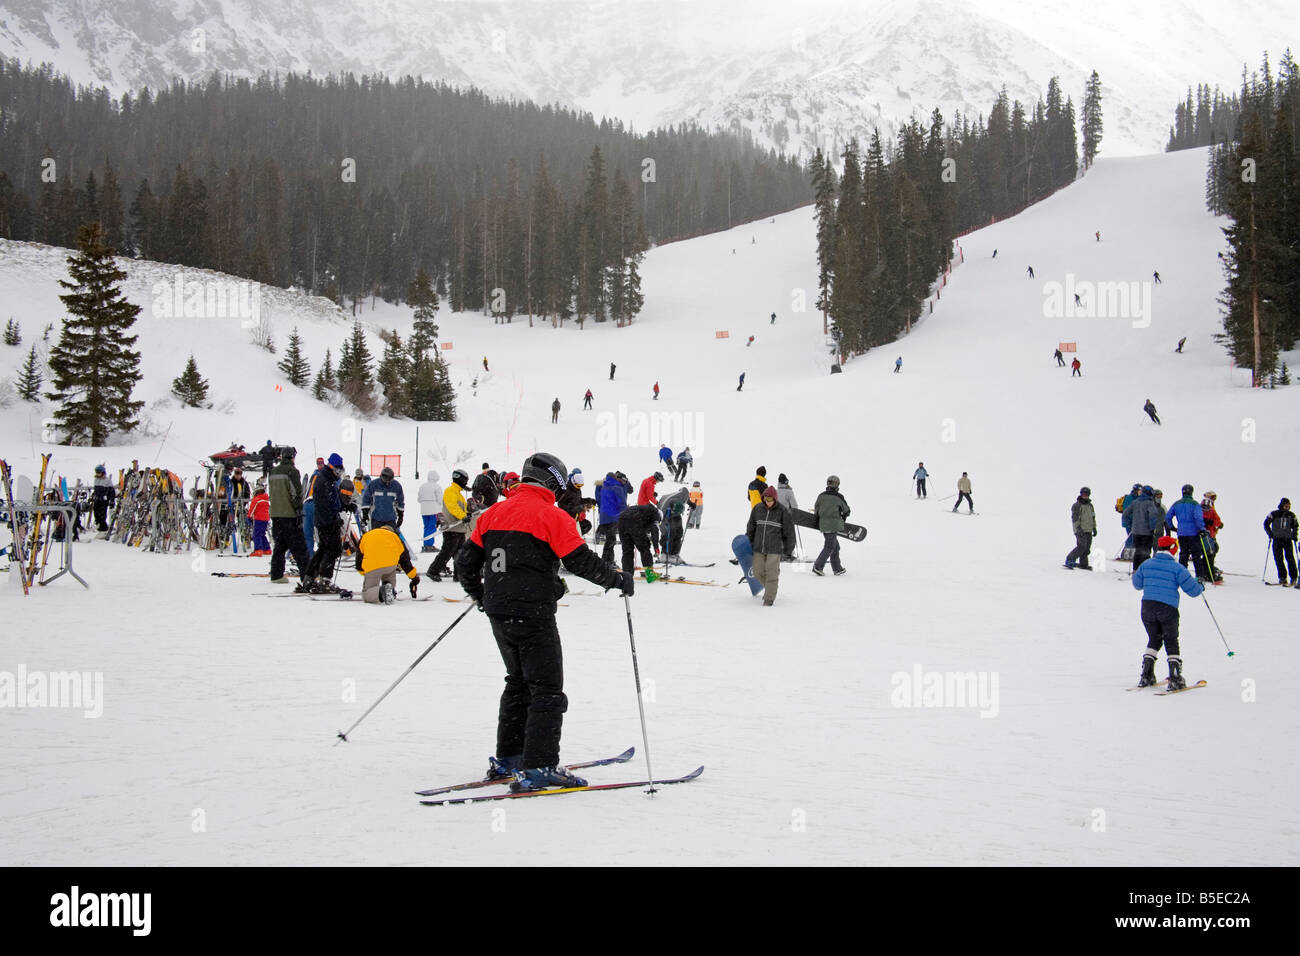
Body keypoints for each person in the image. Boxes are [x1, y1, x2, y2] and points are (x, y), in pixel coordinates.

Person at [456, 452, 631, 791]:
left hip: (498, 612)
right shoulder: (552, 516)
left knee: (518, 682)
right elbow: (581, 561)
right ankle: (539, 766)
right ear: (552, 482)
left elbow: (465, 563)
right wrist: (617, 579)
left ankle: (510, 758)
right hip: (533, 613)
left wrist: (481, 596)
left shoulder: (492, 514)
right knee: (547, 690)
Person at [1132, 536, 1203, 689]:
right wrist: (1200, 585)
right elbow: (1193, 591)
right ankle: (1175, 676)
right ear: (1173, 549)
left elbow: (1137, 584)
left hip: (1147, 607)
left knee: (1155, 638)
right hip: (1167, 608)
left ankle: (1146, 674)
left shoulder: (1146, 564)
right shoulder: (1177, 568)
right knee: (1171, 640)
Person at [300, 453, 345, 592]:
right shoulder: (323, 480)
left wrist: (345, 505)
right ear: (331, 467)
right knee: (333, 549)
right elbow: (323, 504)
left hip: (326, 520)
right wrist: (332, 520)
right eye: (338, 470)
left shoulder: (329, 479)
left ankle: (309, 575)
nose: (339, 473)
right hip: (326, 522)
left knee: (324, 549)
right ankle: (325, 579)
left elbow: (333, 501)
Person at [747, 486, 796, 605]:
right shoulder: (757, 509)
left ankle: (769, 598)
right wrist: (750, 542)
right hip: (759, 547)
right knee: (758, 572)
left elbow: (789, 532)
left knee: (771, 573)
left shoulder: (782, 511)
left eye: (770, 500)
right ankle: (771, 588)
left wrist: (788, 550)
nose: (768, 502)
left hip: (775, 548)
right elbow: (751, 527)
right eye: (766, 500)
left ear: (774, 499)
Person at [268, 447, 309, 583]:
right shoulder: (292, 471)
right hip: (290, 515)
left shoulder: (273, 472)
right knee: (300, 548)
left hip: (275, 514)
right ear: (292, 457)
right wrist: (298, 510)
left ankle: (276, 574)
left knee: (280, 546)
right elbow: (296, 493)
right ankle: (307, 576)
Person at [355, 524, 419, 604]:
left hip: (372, 567)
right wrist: (414, 577)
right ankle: (389, 588)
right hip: (390, 566)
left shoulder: (367, 535)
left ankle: (382, 592)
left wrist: (363, 572)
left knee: (367, 593)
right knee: (389, 572)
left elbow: (358, 557)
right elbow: (404, 560)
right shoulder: (395, 537)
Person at [427, 469, 470, 583]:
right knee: (447, 551)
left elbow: (460, 508)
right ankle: (433, 570)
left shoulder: (458, 493)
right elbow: (452, 507)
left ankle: (458, 575)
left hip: (460, 528)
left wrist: (466, 514)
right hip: (452, 528)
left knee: (460, 553)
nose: (466, 483)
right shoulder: (450, 491)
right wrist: (462, 516)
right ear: (461, 480)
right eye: (465, 481)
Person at [1166, 483, 1211, 581]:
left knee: (1183, 554)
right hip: (1193, 533)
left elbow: (1168, 516)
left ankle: (1182, 575)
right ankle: (1199, 576)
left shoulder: (1176, 504)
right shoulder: (1194, 504)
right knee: (1196, 555)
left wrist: (1172, 527)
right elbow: (1198, 518)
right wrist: (1202, 529)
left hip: (1181, 533)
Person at [811, 476, 850, 576]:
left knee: (835, 546)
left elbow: (816, 509)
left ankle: (837, 568)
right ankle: (818, 567)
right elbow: (846, 510)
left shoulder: (821, 496)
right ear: (837, 484)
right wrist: (843, 517)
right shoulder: (839, 497)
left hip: (823, 525)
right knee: (829, 546)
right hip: (833, 525)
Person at [1123, 485, 1163, 571]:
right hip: (1147, 532)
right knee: (1146, 552)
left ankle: (1136, 570)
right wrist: (1152, 528)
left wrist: (1130, 524)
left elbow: (1125, 513)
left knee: (1137, 551)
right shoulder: (1149, 503)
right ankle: (1145, 570)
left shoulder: (1135, 502)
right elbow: (1153, 515)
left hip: (1136, 531)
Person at [597, 470, 633, 563]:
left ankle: (608, 560)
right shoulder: (617, 487)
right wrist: (625, 514)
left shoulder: (603, 486)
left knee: (610, 539)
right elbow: (621, 502)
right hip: (613, 517)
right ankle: (606, 561)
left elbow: (599, 499)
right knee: (611, 540)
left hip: (604, 516)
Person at [616, 503, 659, 576]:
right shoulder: (655, 514)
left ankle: (627, 575)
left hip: (621, 521)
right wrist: (656, 548)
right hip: (634, 522)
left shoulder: (644, 509)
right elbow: (655, 532)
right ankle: (650, 574)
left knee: (627, 550)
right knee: (644, 548)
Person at [1263, 498, 1298, 586]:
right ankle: (1282, 577)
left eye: (1289, 505)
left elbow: (1295, 526)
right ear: (1282, 505)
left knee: (1290, 559)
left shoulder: (1291, 515)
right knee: (1278, 559)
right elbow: (1266, 523)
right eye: (1286, 505)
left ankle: (1294, 577)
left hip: (1287, 540)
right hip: (1277, 539)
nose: (1288, 507)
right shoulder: (1274, 514)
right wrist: (1270, 533)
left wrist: (1294, 535)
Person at [362, 466, 404, 532]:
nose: (387, 482)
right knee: (377, 539)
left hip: (391, 519)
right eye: (385, 480)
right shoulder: (373, 484)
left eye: (390, 480)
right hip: (376, 518)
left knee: (389, 540)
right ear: (381, 477)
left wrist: (401, 516)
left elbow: (400, 501)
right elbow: (366, 499)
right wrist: (365, 513)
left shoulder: (396, 486)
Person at [1064, 486, 1096, 570]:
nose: (1085, 495)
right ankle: (1070, 559)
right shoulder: (1077, 505)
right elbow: (1074, 518)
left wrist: (1094, 528)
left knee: (1087, 548)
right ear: (1081, 494)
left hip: (1088, 529)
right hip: (1080, 529)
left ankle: (1083, 564)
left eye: (1086, 494)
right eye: (1083, 494)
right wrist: (1078, 528)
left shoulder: (1090, 506)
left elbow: (1093, 517)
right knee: (1081, 546)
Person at [1200, 492, 1224, 583]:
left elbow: (1217, 521)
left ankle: (1207, 569)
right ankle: (1208, 573)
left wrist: (1217, 524)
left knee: (1212, 551)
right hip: (1205, 535)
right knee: (1210, 552)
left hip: (1209, 534)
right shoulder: (1207, 510)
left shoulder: (1209, 509)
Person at [303, 457, 323, 560]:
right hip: (313, 504)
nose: (320, 465)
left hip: (309, 504)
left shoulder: (315, 475)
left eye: (321, 463)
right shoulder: (320, 476)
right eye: (318, 463)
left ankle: (310, 555)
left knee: (310, 533)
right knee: (318, 532)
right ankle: (313, 556)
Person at [417, 471, 443, 553]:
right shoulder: (437, 487)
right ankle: (429, 545)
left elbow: (419, 499)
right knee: (432, 527)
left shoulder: (422, 486)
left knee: (426, 527)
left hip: (423, 510)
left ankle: (426, 544)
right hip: (433, 510)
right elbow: (440, 500)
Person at [775, 474, 799, 560]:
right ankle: (788, 554)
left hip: (775, 517)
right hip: (786, 517)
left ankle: (779, 553)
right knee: (789, 535)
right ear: (786, 482)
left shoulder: (775, 491)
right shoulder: (788, 492)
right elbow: (794, 506)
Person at [638, 471, 663, 553]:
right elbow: (650, 497)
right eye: (659, 481)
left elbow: (647, 493)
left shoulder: (646, 480)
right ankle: (649, 531)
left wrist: (653, 494)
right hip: (644, 504)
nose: (658, 482)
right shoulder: (650, 484)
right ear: (656, 479)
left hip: (641, 502)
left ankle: (648, 531)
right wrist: (657, 503)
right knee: (655, 514)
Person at [247, 479, 271, 556]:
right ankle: (267, 549)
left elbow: (252, 509)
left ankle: (258, 549)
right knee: (262, 534)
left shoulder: (256, 499)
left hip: (259, 518)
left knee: (256, 534)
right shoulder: (266, 499)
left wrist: (249, 516)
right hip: (266, 519)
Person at [92, 464, 115, 532]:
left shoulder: (107, 480)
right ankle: (99, 526)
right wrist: (93, 496)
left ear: (102, 472)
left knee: (102, 514)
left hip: (104, 500)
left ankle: (103, 528)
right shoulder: (96, 480)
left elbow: (111, 491)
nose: (98, 474)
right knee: (96, 513)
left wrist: (111, 500)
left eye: (99, 472)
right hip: (97, 499)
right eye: (97, 472)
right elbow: (96, 490)